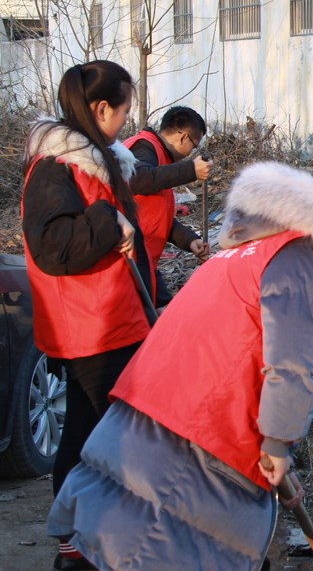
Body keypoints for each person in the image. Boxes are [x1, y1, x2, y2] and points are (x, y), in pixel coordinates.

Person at [47, 162, 313, 570]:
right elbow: (290, 362)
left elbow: (245, 340)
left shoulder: (263, 244)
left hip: (149, 411)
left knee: (112, 539)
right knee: (153, 549)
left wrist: (278, 455)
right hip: (199, 433)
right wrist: (275, 442)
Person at [21, 60, 152, 571]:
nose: (128, 120)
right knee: (93, 436)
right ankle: (76, 543)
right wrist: (106, 219)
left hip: (110, 318)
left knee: (93, 430)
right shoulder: (56, 167)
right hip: (88, 326)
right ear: (101, 109)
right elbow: (52, 244)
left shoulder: (98, 160)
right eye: (124, 110)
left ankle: (85, 538)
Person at [124, 105, 213, 307]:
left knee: (164, 313)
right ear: (183, 138)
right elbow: (138, 178)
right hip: (128, 263)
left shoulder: (159, 158)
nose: (191, 152)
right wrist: (191, 169)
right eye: (194, 145)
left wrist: (190, 241)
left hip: (143, 262)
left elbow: (156, 216)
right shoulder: (144, 148)